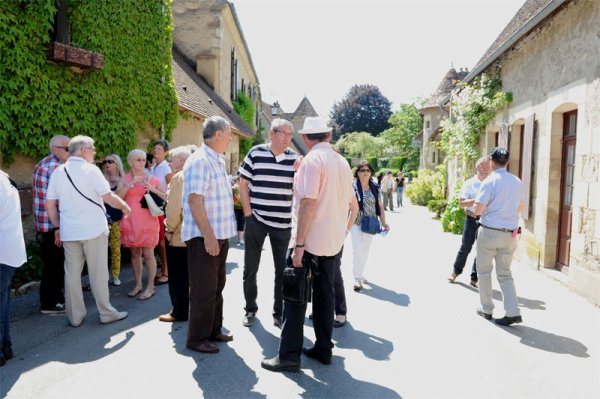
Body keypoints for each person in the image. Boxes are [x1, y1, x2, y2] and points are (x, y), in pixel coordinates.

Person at [261, 116, 355, 372]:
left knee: (294, 298)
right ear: (328, 134)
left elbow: (308, 203)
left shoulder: (313, 160)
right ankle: (324, 348)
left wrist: (299, 244)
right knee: (326, 295)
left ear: (305, 138)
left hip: (310, 240)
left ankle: (289, 356)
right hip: (333, 241)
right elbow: (346, 202)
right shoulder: (342, 161)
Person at [45, 136, 131, 327]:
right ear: (83, 150)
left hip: (69, 231)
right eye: (93, 149)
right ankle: (106, 312)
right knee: (98, 273)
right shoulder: (91, 170)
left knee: (72, 274)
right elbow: (108, 197)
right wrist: (125, 207)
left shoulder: (59, 172)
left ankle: (75, 317)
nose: (95, 153)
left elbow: (50, 205)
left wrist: (57, 227)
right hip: (93, 229)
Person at [182, 115, 235, 354]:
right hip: (205, 237)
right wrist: (209, 237)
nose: (232, 138)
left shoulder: (217, 160)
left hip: (219, 235)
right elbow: (195, 201)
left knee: (216, 286)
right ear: (218, 135)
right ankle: (197, 338)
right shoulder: (200, 161)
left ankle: (213, 329)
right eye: (230, 134)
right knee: (203, 289)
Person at [238, 119, 299, 328]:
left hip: (283, 223)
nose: (289, 140)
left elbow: (301, 191)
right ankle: (250, 309)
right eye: (285, 134)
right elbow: (243, 183)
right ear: (272, 134)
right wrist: (248, 214)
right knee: (250, 269)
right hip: (257, 220)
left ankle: (279, 313)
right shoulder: (255, 153)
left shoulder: (295, 160)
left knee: (282, 271)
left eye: (291, 136)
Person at [474, 147, 524, 326]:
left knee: (484, 270)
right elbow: (520, 207)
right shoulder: (517, 181)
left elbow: (478, 209)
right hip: (510, 232)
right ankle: (512, 311)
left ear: (492, 162)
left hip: (490, 231)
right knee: (505, 273)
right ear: (507, 162)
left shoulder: (489, 182)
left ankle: (487, 309)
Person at [119, 149, 165, 300]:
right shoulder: (125, 179)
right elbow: (117, 197)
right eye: (138, 159)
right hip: (131, 221)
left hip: (148, 222)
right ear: (130, 161)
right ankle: (138, 284)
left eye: (143, 159)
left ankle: (150, 287)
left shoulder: (152, 179)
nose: (142, 162)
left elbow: (166, 197)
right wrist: (130, 184)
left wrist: (153, 190)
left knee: (148, 254)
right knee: (135, 254)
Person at [32, 135, 70, 314]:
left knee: (51, 264)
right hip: (54, 225)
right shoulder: (56, 168)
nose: (71, 152)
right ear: (55, 149)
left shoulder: (42, 163)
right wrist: (59, 227)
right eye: (67, 148)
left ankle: (53, 299)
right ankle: (50, 303)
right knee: (55, 265)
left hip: (44, 225)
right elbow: (59, 201)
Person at [159, 146, 192, 323]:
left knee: (178, 277)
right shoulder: (194, 173)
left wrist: (169, 229)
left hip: (179, 236)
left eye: (171, 159)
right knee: (190, 276)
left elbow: (173, 209)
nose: (169, 163)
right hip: (194, 234)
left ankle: (179, 312)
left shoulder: (179, 177)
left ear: (181, 160)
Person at [448, 156, 490, 288]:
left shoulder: (492, 183)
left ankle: (475, 278)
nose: (484, 169)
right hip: (471, 218)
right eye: (482, 167)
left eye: (487, 167)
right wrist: (477, 200)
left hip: (486, 221)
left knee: (482, 250)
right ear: (477, 168)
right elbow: (461, 203)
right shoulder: (469, 183)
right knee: (465, 247)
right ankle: (455, 272)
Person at [0, 170, 27, 366]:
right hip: (9, 251)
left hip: (2, 251)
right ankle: (5, 346)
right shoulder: (5, 177)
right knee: (4, 301)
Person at [351, 160, 389, 291]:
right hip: (356, 222)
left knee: (365, 250)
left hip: (370, 223)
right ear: (358, 173)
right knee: (358, 249)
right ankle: (357, 278)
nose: (365, 172)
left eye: (368, 170)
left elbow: (380, 205)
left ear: (371, 172)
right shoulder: (353, 186)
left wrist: (384, 222)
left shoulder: (375, 187)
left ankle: (360, 273)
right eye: (362, 170)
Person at [101, 154, 126, 286]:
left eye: (110, 161)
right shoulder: (101, 179)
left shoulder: (123, 179)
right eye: (105, 161)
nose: (107, 164)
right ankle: (103, 276)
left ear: (117, 164)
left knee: (116, 249)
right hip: (102, 219)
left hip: (117, 219)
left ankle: (115, 275)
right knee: (101, 249)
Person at [151, 140, 172, 286]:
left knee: (163, 242)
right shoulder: (154, 168)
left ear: (165, 152)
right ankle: (163, 268)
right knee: (158, 242)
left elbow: (171, 192)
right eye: (155, 148)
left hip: (163, 207)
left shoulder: (166, 169)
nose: (156, 150)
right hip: (154, 208)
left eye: (159, 148)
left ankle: (166, 272)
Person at [231, 176, 245, 245]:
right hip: (234, 208)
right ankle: (229, 238)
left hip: (242, 208)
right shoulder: (234, 187)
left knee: (241, 224)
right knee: (234, 223)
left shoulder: (245, 187)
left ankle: (240, 239)